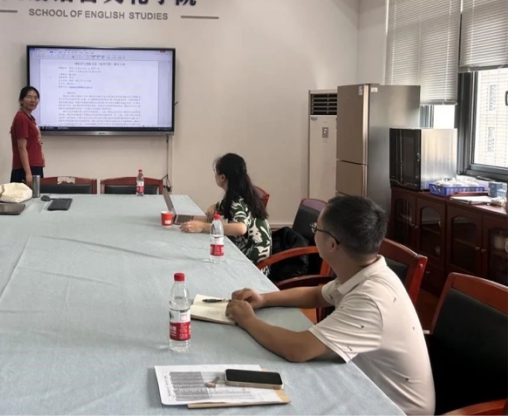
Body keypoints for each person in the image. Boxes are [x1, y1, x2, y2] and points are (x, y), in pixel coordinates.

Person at [225, 195, 435, 415]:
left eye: (316, 228)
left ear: (332, 244)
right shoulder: (362, 271)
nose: (313, 232)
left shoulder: (371, 299)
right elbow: (317, 294)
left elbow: (298, 349)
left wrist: (248, 321)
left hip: (394, 408)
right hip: (364, 383)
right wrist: (264, 299)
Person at [180, 153, 272, 270]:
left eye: (216, 171)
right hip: (248, 255)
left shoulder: (237, 200)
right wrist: (213, 207)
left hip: (253, 265)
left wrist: (203, 227)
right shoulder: (241, 191)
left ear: (222, 177)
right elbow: (218, 209)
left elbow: (240, 228)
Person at [10, 86, 44, 187]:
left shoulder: (30, 118)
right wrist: (28, 172)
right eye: (29, 97)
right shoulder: (22, 118)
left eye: (36, 98)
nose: (33, 100)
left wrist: (41, 155)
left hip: (34, 165)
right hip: (25, 168)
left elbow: (35, 141)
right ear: (21, 100)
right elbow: (21, 147)